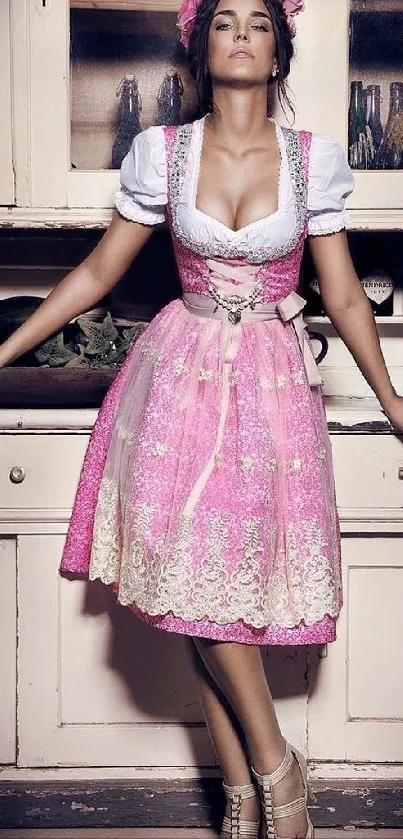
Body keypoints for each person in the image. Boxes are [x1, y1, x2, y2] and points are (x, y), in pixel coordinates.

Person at [1, 0, 402, 836]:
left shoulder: (310, 161)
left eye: (259, 22)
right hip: (175, 376)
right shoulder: (163, 152)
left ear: (279, 51)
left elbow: (339, 293)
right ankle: (270, 769)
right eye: (225, 22)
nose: (243, 35)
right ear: (200, 44)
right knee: (186, 572)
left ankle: (250, 782)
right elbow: (98, 271)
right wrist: (1, 351)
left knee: (218, 580)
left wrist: (393, 399)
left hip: (267, 383)